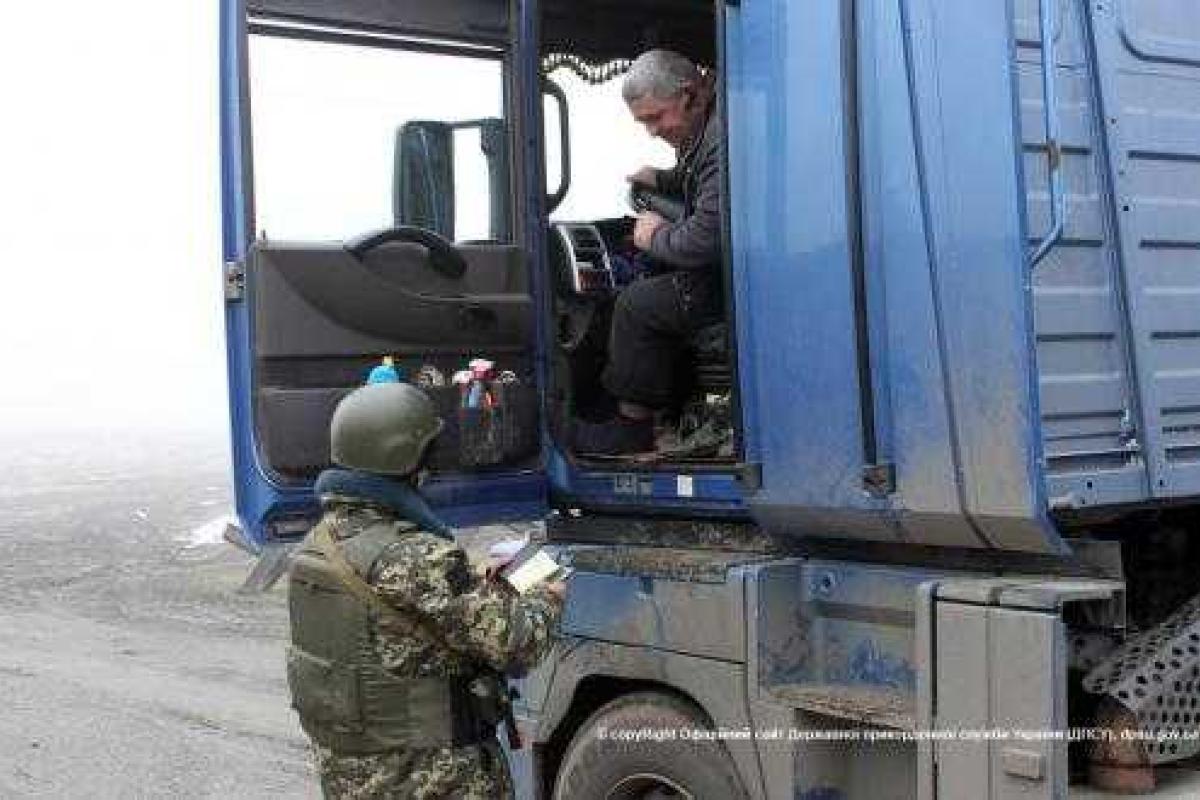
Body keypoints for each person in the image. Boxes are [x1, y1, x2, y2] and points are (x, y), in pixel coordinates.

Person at [286, 382, 565, 799]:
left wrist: (471, 586)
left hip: (354, 780)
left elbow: (403, 625)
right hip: (430, 779)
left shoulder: (315, 546)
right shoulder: (418, 559)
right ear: (408, 458)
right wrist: (546, 591)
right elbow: (519, 643)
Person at [575, 49, 724, 455]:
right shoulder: (708, 127)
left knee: (636, 305)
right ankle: (668, 415)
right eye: (643, 123)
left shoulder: (720, 139)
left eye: (656, 118)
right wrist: (662, 178)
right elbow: (702, 180)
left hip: (736, 282)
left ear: (689, 95)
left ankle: (632, 427)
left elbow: (705, 240)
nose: (652, 131)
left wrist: (654, 237)